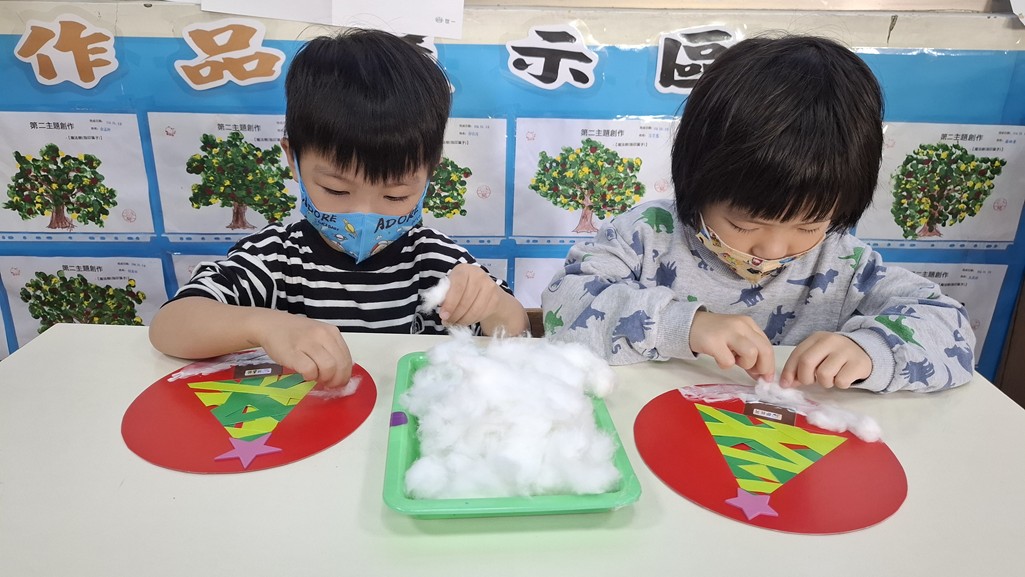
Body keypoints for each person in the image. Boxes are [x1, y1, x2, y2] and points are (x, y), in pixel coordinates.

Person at [541, 35, 974, 393]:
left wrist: (872, 350)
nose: (774, 249)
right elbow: (563, 308)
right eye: (744, 224)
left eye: (809, 225)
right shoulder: (645, 236)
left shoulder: (844, 264)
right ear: (696, 182)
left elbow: (952, 330)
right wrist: (683, 326)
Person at [150, 29, 528, 387]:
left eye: (395, 196)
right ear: (292, 160)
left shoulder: (437, 262)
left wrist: (491, 303)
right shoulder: (275, 258)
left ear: (430, 172)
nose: (363, 216)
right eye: (336, 190)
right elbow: (170, 326)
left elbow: (515, 333)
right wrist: (264, 326)